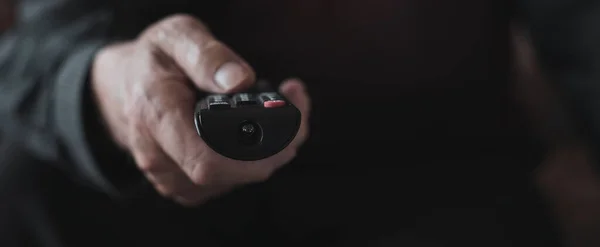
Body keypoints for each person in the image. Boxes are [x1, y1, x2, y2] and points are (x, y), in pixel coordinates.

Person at [0, 0, 597, 246]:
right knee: (21, 172)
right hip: (177, 207)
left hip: (439, 170)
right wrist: (116, 89)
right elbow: (38, 53)